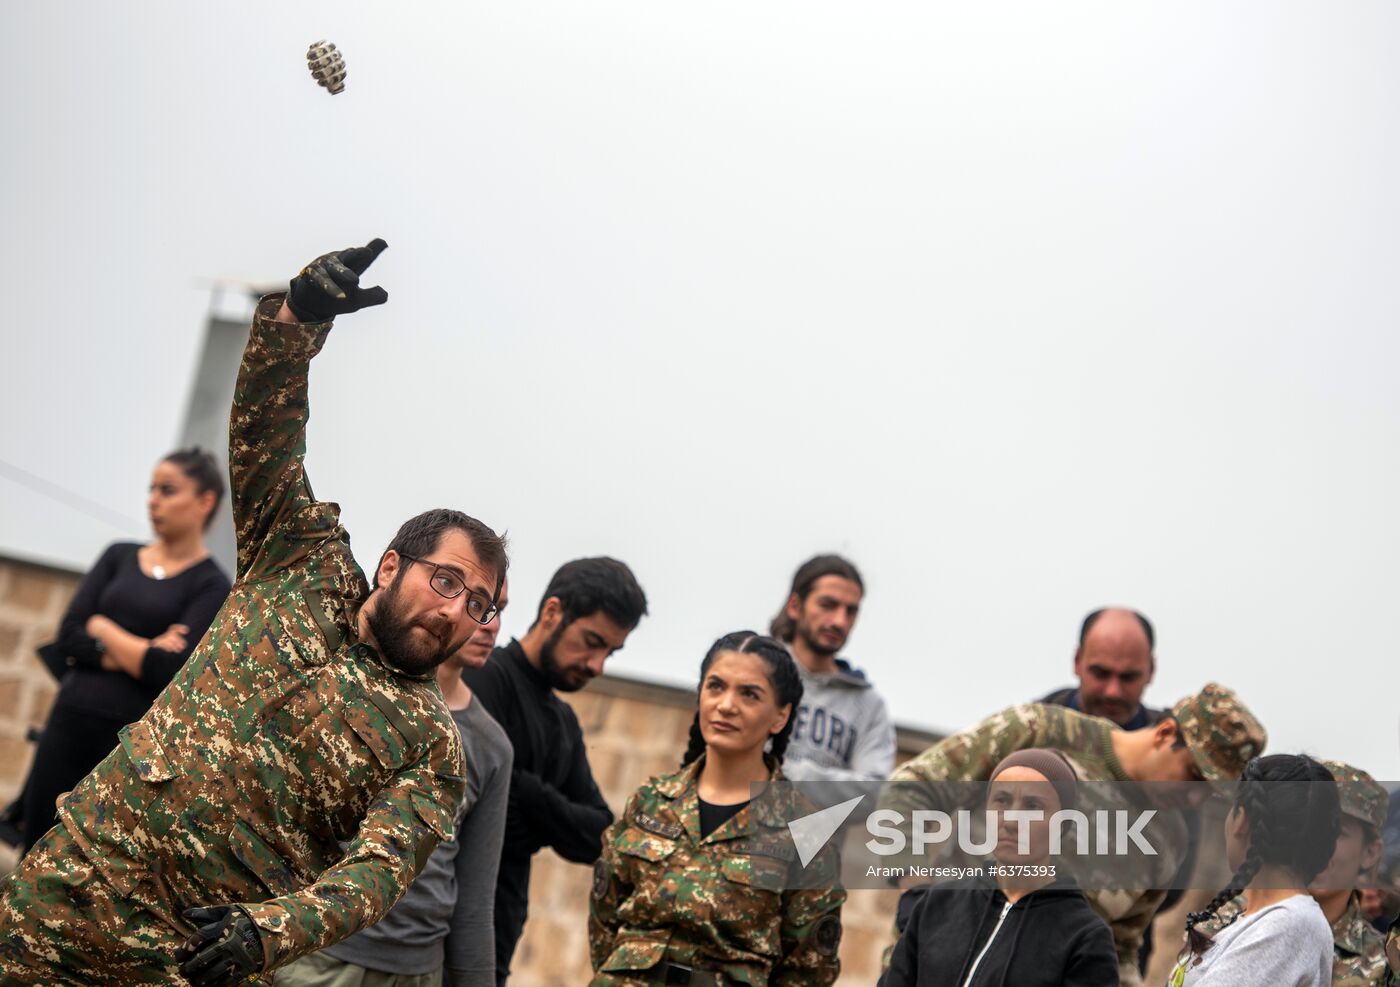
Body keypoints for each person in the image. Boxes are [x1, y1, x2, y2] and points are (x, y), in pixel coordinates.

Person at [0, 239, 508, 986]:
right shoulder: (299, 559)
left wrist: (268, 930)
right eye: (448, 582)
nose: (459, 611)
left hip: (193, 957)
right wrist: (298, 319)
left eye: (481, 603)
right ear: (394, 564)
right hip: (74, 898)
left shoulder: (431, 746)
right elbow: (267, 437)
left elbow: (376, 875)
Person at [879, 682, 1267, 987]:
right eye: (1195, 778)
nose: (1198, 799)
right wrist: (916, 894)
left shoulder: (1170, 838)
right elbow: (912, 787)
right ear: (1166, 733)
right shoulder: (1042, 731)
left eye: (1212, 793)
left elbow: (1123, 945)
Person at [278, 580, 514, 987]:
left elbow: (475, 897)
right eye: (475, 603)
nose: (490, 624)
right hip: (316, 954)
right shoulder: (351, 688)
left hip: (417, 968)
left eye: (493, 608)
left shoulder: (492, 746)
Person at [589, 631, 845, 986]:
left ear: (780, 716)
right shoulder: (650, 802)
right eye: (715, 687)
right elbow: (604, 920)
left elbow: (807, 970)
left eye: (749, 694)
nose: (726, 705)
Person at [19, 448, 231, 855]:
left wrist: (102, 628)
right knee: (34, 847)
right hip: (68, 723)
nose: (154, 499)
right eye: (152, 488)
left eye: (168, 490)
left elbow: (166, 669)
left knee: (88, 860)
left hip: (125, 748)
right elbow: (69, 635)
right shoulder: (119, 556)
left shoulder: (211, 585)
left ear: (205, 501)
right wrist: (144, 646)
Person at [463, 557, 648, 985]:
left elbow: (599, 834)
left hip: (497, 941)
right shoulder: (483, 679)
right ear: (552, 613)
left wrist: (523, 788)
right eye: (591, 641)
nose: (597, 665)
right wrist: (548, 816)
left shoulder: (563, 723)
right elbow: (476, 815)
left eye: (610, 652)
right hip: (440, 932)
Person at [880, 749, 1118, 986]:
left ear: (1063, 825)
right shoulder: (936, 905)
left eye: (1033, 806)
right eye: (1002, 801)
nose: (1011, 821)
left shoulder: (1085, 937)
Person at [1180, 758, 1390, 985]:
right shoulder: (1229, 918)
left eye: (1335, 831)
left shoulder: (1383, 963)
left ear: (1370, 852)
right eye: (1301, 825)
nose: (1313, 841)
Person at [768, 554, 896, 788]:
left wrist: (791, 774)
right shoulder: (756, 674)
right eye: (828, 605)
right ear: (795, 606)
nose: (839, 621)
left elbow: (873, 791)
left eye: (851, 611)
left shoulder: (869, 706)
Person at [1039, 607, 1160, 730]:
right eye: (1101, 674)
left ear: (1151, 670)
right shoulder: (1027, 735)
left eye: (1128, 677)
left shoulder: (1175, 742)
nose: (1113, 692)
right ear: (1077, 661)